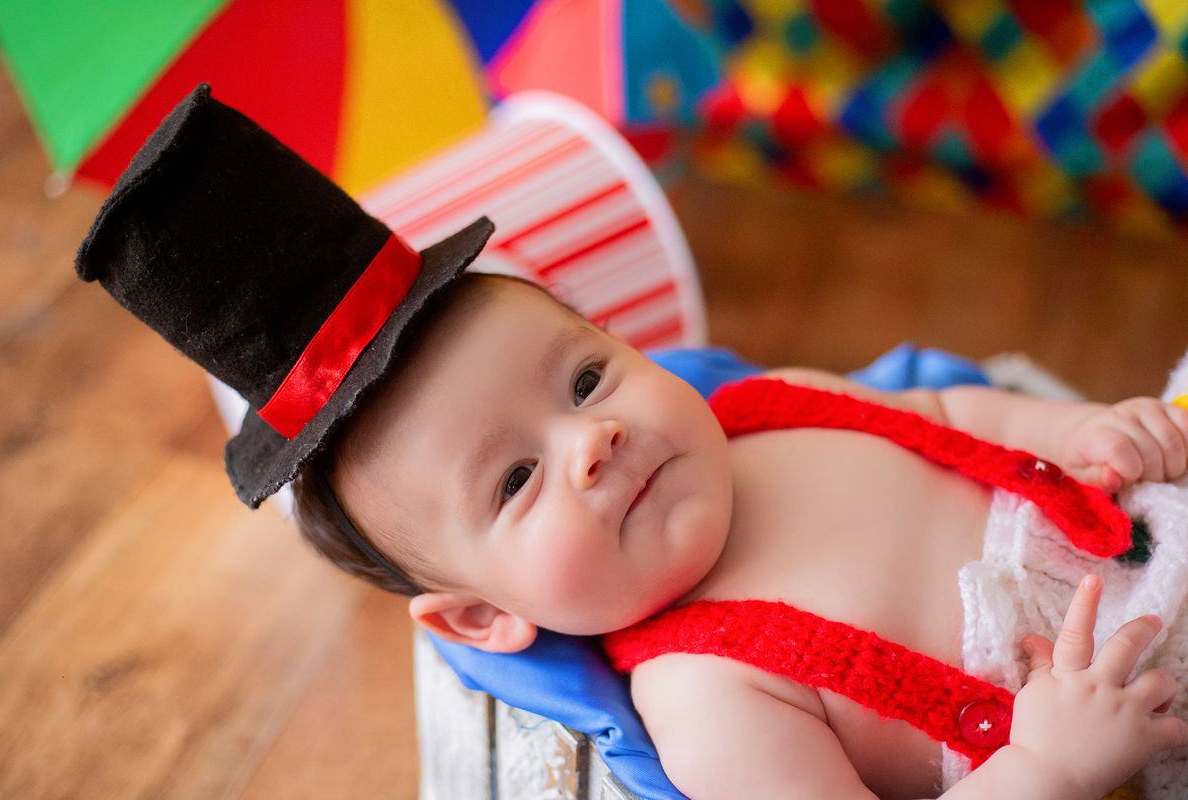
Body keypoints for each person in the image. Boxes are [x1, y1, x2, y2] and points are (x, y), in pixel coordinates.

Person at [78, 86, 1188, 800]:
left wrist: (1081, 427)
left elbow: (953, 415)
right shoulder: (710, 691)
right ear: (484, 616)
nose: (595, 439)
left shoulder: (774, 402)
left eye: (587, 375)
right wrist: (1048, 765)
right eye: (517, 478)